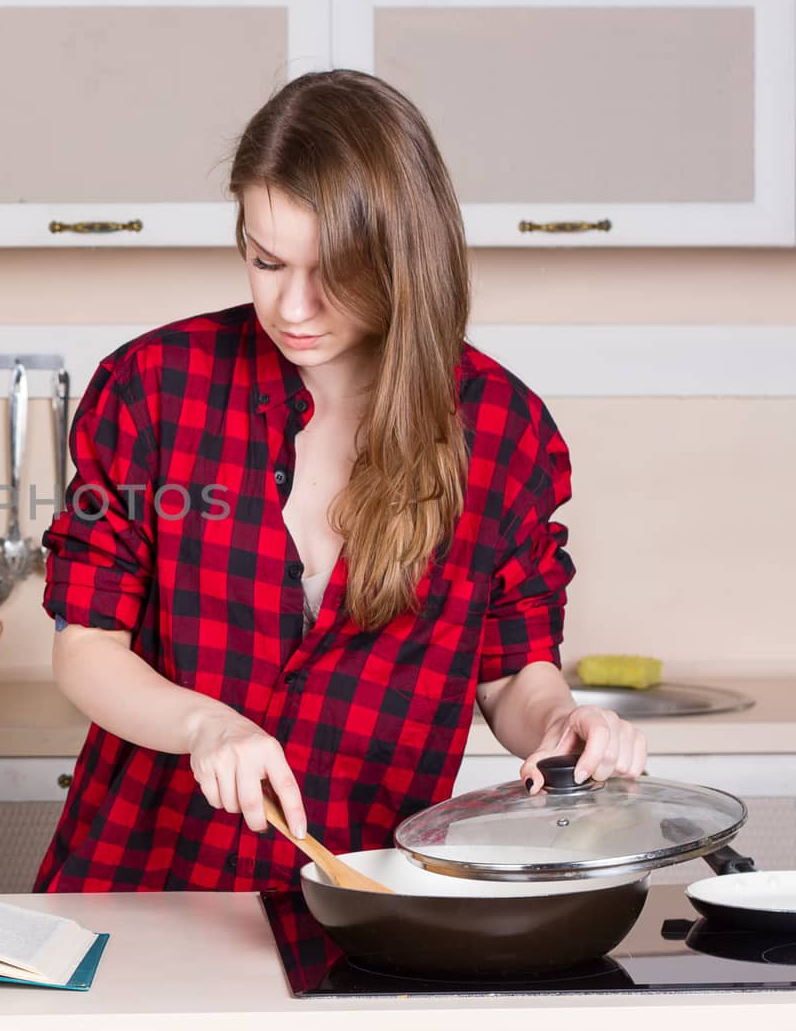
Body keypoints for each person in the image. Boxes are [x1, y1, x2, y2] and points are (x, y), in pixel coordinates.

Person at [36, 70, 647, 894]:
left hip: (359, 903)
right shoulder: (153, 387)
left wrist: (563, 722)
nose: (294, 306)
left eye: (335, 271)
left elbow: (511, 674)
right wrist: (204, 723)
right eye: (266, 260)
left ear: (404, 256)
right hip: (140, 885)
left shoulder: (502, 432)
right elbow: (85, 646)